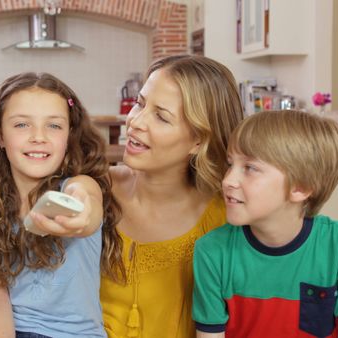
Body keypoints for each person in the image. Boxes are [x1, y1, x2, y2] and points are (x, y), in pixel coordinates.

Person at [0, 72, 122, 338]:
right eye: (22, 125)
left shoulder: (78, 185)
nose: (39, 137)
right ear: (0, 136)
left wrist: (82, 215)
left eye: (54, 126)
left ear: (69, 136)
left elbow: (87, 204)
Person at [193, 110, 338, 338]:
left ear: (300, 187)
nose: (228, 180)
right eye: (230, 164)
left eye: (250, 168)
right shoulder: (211, 251)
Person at [100, 55, 244, 338]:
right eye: (140, 104)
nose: (136, 122)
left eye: (161, 116)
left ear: (199, 140)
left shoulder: (225, 219)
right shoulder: (95, 190)